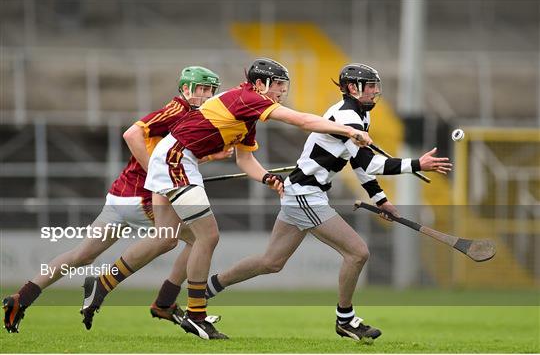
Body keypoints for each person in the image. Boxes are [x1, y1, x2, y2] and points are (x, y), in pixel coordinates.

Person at [79, 57, 372, 340]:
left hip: (173, 158)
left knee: (164, 239)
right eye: (279, 85)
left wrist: (268, 178)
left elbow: (245, 160)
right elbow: (302, 121)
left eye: (285, 86)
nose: (283, 91)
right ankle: (196, 315)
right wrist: (347, 130)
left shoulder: (248, 114)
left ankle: (101, 285)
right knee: (207, 236)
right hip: (177, 160)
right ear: (260, 83)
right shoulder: (249, 98)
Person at [203, 63, 453, 342]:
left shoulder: (358, 116)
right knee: (358, 252)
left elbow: (359, 164)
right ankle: (345, 320)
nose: (375, 92)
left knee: (271, 262)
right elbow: (372, 163)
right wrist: (418, 163)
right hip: (306, 194)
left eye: (375, 86)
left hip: (303, 192)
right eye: (369, 87)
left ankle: (206, 289)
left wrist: (381, 200)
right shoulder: (347, 116)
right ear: (352, 88)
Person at [2, 66, 230, 333]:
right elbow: (132, 134)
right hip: (140, 197)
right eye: (200, 89)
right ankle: (164, 301)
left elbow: (172, 156)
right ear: (185, 89)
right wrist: (158, 175)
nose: (205, 95)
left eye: (210, 90)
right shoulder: (178, 110)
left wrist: (209, 157)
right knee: (197, 239)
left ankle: (21, 298)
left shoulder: (192, 118)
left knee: (81, 255)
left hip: (121, 195)